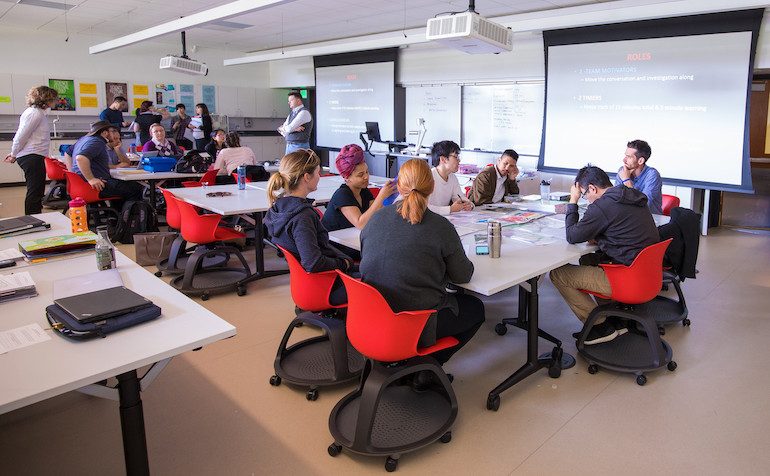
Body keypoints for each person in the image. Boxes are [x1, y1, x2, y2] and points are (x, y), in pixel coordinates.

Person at [360, 158, 485, 366]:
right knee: (476, 309)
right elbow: (463, 276)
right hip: (418, 322)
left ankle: (414, 363)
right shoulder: (440, 227)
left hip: (374, 316)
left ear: (399, 186)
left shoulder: (375, 219)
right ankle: (426, 367)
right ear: (432, 186)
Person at [549, 165, 659, 345]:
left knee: (559, 274)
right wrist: (602, 236)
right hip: (649, 275)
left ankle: (599, 327)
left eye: (585, 194)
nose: (588, 199)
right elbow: (624, 227)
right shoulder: (631, 195)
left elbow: (572, 236)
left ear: (592, 188)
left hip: (629, 280)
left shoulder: (602, 206)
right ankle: (614, 317)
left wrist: (573, 201)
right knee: (588, 258)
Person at [264, 149, 354, 306]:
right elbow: (313, 263)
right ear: (307, 177)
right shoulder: (302, 216)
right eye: (318, 173)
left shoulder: (278, 207)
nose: (319, 177)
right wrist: (343, 264)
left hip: (307, 284)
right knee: (380, 282)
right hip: (324, 285)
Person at [5, 85, 58, 215]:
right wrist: (13, 154)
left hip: (33, 155)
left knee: (37, 190)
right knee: (35, 191)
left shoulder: (38, 113)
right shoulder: (34, 114)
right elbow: (21, 136)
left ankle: (35, 217)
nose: (55, 101)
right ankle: (32, 220)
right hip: (31, 156)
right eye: (54, 99)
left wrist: (15, 153)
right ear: (46, 98)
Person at [321, 144, 397, 232]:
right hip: (331, 242)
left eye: (367, 172)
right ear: (347, 178)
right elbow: (361, 224)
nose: (366, 177)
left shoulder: (364, 191)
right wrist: (381, 196)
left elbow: (379, 215)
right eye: (360, 175)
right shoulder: (342, 195)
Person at [72, 120, 144, 203]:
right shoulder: (97, 142)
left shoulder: (84, 139)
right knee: (135, 189)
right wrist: (91, 179)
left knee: (120, 186)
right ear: (105, 133)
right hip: (92, 185)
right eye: (111, 132)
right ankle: (127, 215)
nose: (113, 135)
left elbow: (69, 152)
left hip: (80, 184)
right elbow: (80, 158)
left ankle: (115, 214)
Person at [615, 139, 663, 215]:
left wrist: (626, 180)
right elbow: (615, 199)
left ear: (640, 161)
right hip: (628, 217)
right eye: (625, 156)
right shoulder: (622, 170)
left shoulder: (652, 175)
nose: (624, 160)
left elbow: (643, 205)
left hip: (649, 219)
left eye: (629, 157)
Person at [427, 140, 473, 215]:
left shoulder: (452, 177)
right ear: (443, 159)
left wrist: (469, 205)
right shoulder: (428, 177)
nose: (459, 160)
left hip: (441, 220)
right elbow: (424, 208)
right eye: (455, 157)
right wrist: (450, 209)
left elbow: (460, 198)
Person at [63, 122, 130, 170]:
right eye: (115, 138)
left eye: (119, 138)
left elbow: (126, 164)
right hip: (97, 180)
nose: (118, 141)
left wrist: (117, 150)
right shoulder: (97, 144)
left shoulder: (116, 146)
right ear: (105, 134)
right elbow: (97, 165)